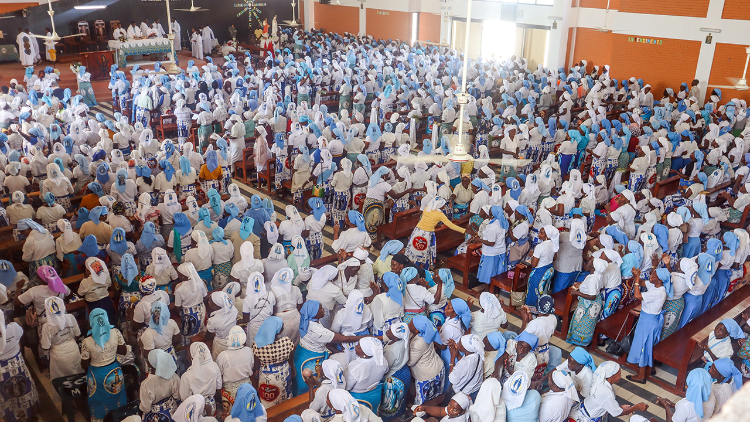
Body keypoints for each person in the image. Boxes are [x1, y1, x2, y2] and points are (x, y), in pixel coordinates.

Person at [81, 309, 127, 422]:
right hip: (114, 371)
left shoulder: (87, 342)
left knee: (99, 402)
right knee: (117, 397)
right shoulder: (115, 332)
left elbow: (84, 365)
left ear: (91, 322)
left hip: (97, 377)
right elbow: (123, 351)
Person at [0, 311, 39, 422]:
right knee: (23, 390)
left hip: (1, 372)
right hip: (17, 365)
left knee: (5, 395)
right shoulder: (13, 328)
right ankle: (29, 414)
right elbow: (20, 335)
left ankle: (10, 417)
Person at [253, 316, 294, 407]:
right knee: (285, 397)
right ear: (279, 330)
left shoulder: (257, 345)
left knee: (269, 399)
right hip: (284, 373)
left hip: (266, 377)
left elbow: (256, 365)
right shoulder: (287, 342)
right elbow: (290, 359)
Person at [40, 297, 84, 380]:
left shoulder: (46, 327)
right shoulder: (70, 317)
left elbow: (46, 347)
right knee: (78, 376)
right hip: (73, 351)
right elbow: (78, 334)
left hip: (58, 355)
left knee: (63, 380)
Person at [218, 326, 254, 412]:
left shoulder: (223, 356)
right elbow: (251, 366)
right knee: (248, 412)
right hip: (247, 387)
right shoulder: (248, 351)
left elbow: (219, 374)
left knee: (232, 416)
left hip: (229, 391)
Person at [140, 349, 181, 422]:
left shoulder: (146, 384)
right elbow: (177, 396)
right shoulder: (173, 376)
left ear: (150, 365)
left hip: (155, 416)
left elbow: (146, 409)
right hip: (172, 412)